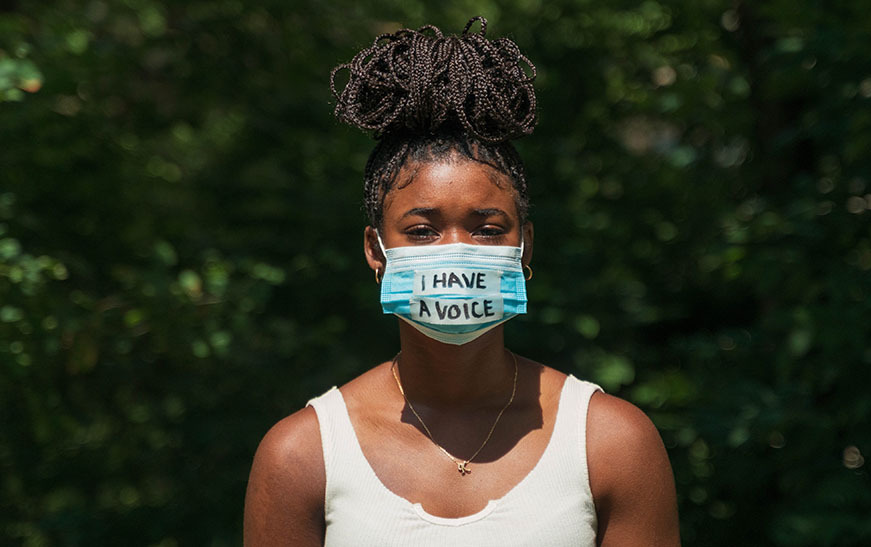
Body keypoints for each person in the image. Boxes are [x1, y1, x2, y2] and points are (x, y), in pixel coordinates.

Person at [243, 17, 680, 546]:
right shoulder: (304, 455)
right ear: (374, 251)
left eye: (488, 229)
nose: (457, 249)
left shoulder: (609, 444)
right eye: (422, 231)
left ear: (526, 247)